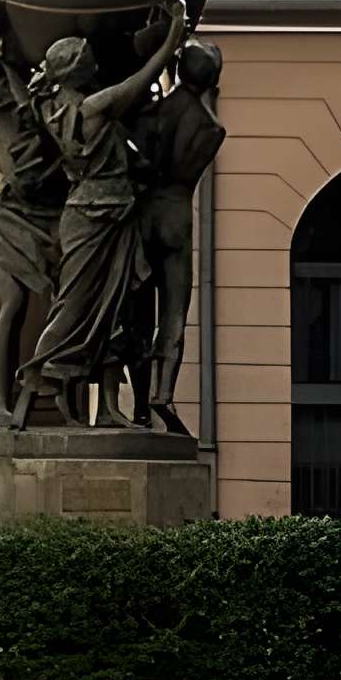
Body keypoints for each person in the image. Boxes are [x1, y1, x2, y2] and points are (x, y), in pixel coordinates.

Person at [10, 0, 188, 431]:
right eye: (86, 57)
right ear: (79, 70)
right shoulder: (94, 107)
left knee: (114, 314)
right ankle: (30, 390)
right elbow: (149, 71)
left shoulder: (49, 108)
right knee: (74, 310)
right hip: (99, 216)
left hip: (105, 214)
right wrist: (176, 27)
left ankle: (108, 411)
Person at [0, 0, 64, 423]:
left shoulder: (36, 112)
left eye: (4, 80)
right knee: (13, 306)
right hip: (14, 219)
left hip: (54, 216)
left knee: (66, 303)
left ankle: (62, 392)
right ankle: (3, 404)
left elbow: (29, 107)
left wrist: (3, 59)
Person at [129, 38, 225, 435]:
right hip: (176, 215)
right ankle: (162, 394)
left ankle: (136, 405)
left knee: (136, 310)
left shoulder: (151, 112)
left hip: (143, 212)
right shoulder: (211, 127)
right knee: (173, 312)